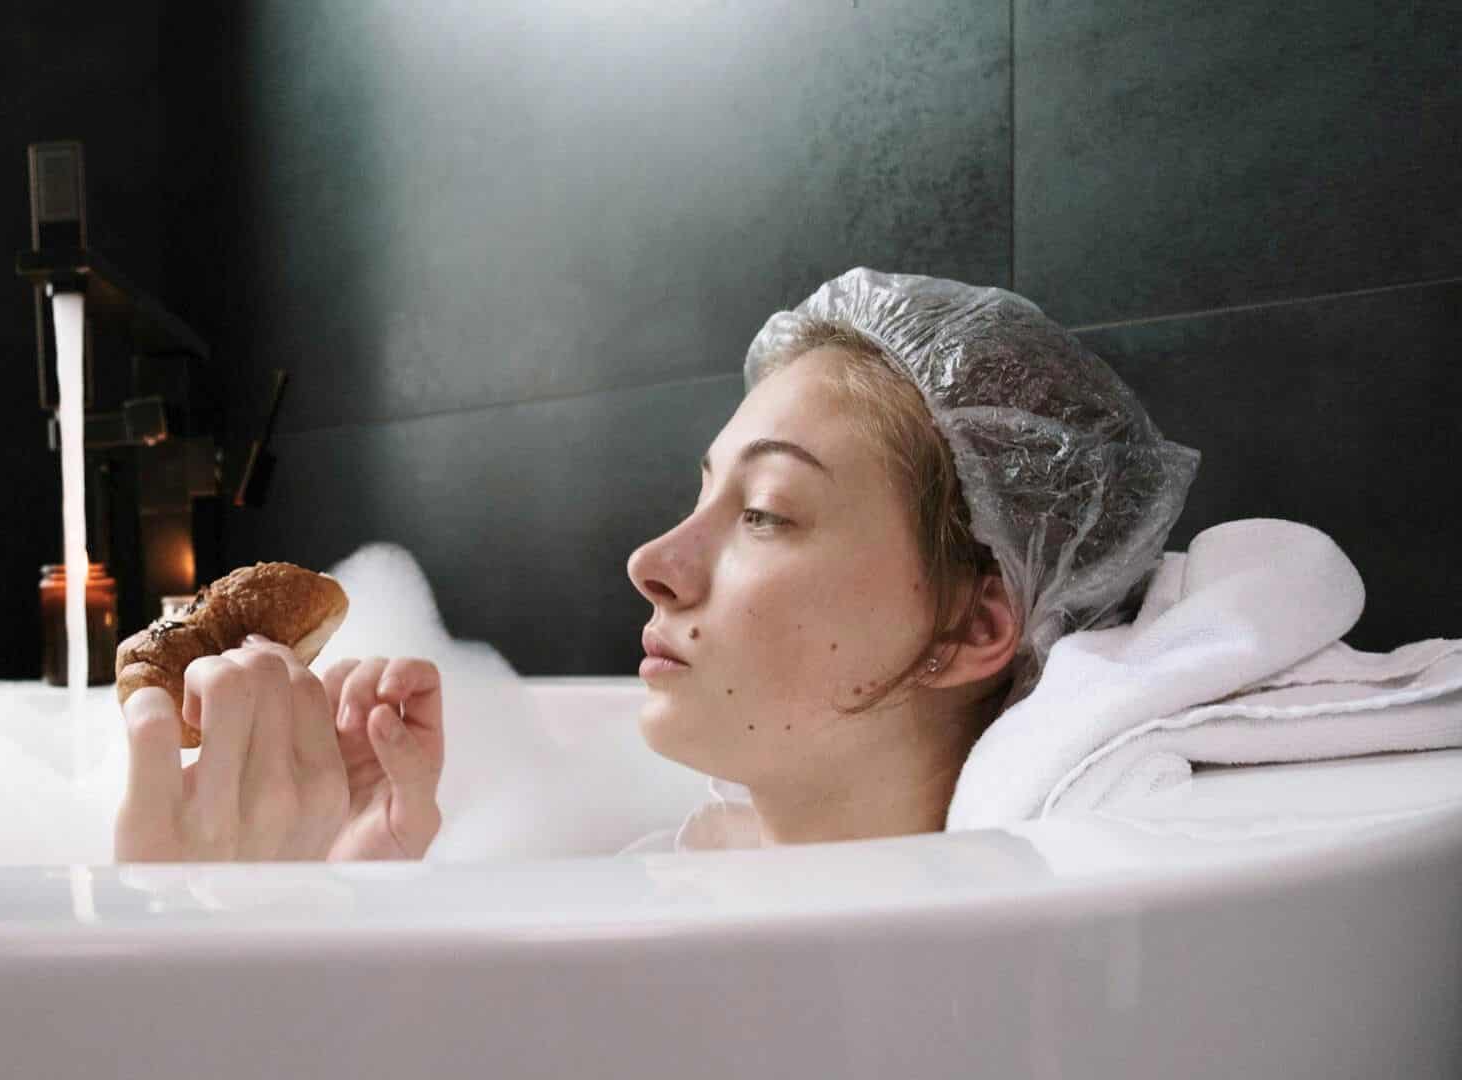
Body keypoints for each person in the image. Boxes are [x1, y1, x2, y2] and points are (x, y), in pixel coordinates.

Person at [113, 268, 1198, 861]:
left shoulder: (954, 993)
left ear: (973, 628)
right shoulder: (650, 874)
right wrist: (348, 901)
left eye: (767, 513)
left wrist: (205, 933)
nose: (652, 561)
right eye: (700, 494)